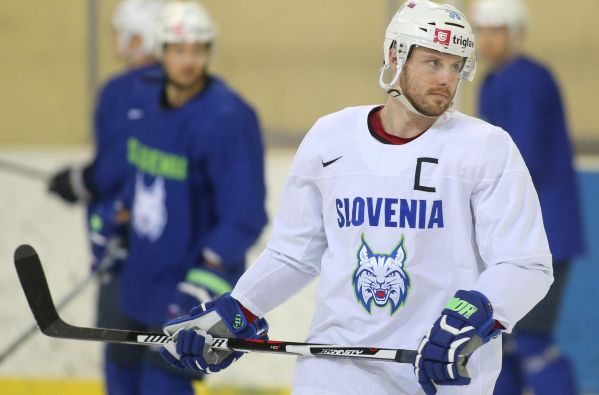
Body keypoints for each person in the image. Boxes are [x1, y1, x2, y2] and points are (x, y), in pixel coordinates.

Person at [159, 1, 553, 394]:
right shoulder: (331, 137)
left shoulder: (486, 147)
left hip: (438, 370)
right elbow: (295, 252)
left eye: (455, 65)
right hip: (335, 366)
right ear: (395, 55)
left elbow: (525, 263)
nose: (446, 79)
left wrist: (477, 313)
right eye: (433, 62)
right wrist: (241, 308)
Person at [106, 1, 268, 394]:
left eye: (198, 50)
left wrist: (204, 279)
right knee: (120, 382)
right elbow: (138, 175)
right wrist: (111, 217)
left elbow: (244, 216)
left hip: (187, 289)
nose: (189, 61)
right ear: (161, 51)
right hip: (138, 284)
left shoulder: (229, 117)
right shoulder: (144, 102)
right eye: (179, 50)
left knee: (163, 387)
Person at [47, 1, 166, 394]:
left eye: (120, 32)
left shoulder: (119, 90)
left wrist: (78, 181)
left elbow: (114, 167)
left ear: (138, 36)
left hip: (125, 257)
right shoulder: (195, 92)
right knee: (167, 370)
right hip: (176, 261)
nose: (115, 41)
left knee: (122, 366)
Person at [470, 1, 584, 394]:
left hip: (544, 234)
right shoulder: (496, 80)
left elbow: (521, 158)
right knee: (505, 342)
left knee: (532, 342)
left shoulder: (527, 80)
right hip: (522, 232)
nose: (485, 40)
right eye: (481, 30)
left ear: (514, 32)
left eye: (494, 30)